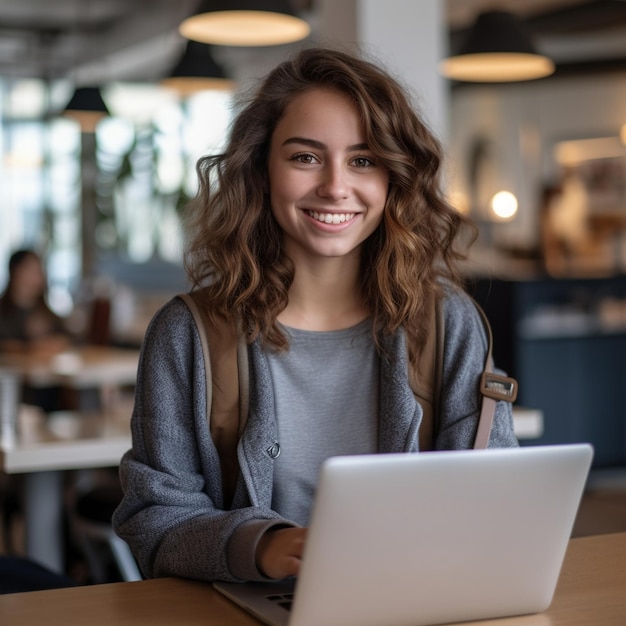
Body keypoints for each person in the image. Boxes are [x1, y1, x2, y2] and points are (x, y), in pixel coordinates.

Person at [113, 47, 518, 584]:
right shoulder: (187, 334)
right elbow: (154, 521)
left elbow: (498, 499)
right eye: (305, 157)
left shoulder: (449, 323)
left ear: (393, 177)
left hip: (415, 603)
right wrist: (262, 546)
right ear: (261, 170)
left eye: (363, 160)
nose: (334, 186)